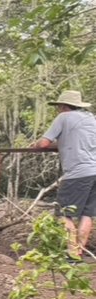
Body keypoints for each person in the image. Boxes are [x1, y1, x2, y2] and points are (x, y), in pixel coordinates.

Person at [32, 89, 96, 261]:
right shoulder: (91, 119)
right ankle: (80, 251)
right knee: (87, 213)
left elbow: (44, 143)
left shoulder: (63, 118)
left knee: (63, 213)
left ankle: (72, 253)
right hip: (94, 171)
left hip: (77, 173)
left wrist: (36, 143)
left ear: (62, 106)